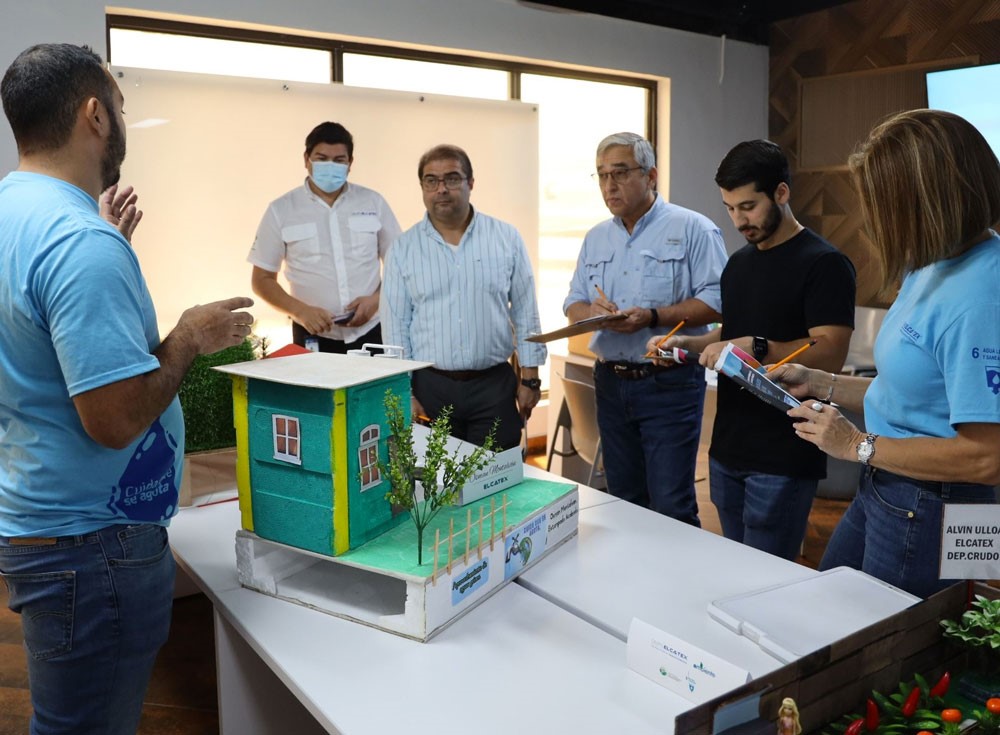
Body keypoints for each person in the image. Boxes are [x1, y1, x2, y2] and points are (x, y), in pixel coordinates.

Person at [0, 43, 254, 734]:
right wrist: (188, 337)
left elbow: (36, 341)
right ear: (94, 115)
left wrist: (103, 249)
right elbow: (113, 420)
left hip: (47, 525)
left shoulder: (19, 215)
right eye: (119, 106)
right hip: (93, 547)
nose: (122, 121)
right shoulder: (78, 242)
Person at [774, 109, 1000, 598]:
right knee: (834, 609)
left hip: (938, 504)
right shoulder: (934, 263)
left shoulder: (982, 298)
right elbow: (913, 396)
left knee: (900, 637)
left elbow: (987, 459)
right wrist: (822, 383)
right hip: (890, 483)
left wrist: (855, 444)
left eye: (882, 204)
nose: (875, 220)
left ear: (927, 201)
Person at [648, 140, 856, 560]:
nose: (739, 220)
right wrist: (686, 344)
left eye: (748, 206)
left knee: (770, 575)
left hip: (784, 449)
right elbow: (732, 335)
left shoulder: (824, 264)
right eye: (729, 208)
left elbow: (831, 351)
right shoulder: (738, 264)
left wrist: (760, 347)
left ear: (781, 192)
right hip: (729, 445)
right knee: (734, 567)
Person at [564, 132, 728, 525]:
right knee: (622, 500)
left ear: (651, 176)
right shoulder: (596, 237)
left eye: (620, 173)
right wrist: (593, 311)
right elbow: (573, 304)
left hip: (668, 383)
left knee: (671, 504)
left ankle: (678, 568)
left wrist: (653, 316)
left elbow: (719, 303)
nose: (609, 185)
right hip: (610, 380)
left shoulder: (694, 229)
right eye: (602, 175)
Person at [381, 143, 545, 450]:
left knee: (497, 475)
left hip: (494, 388)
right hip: (430, 388)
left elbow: (525, 311)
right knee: (435, 477)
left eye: (452, 178)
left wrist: (531, 379)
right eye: (431, 180)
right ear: (422, 187)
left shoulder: (506, 238)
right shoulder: (403, 249)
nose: (441, 189)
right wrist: (405, 392)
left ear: (471, 182)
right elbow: (395, 328)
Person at [249, 121, 401, 353]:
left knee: (376, 379)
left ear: (350, 163)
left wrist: (376, 301)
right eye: (321, 159)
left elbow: (401, 266)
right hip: (311, 333)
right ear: (306, 159)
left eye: (339, 160)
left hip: (372, 330)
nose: (330, 166)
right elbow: (262, 279)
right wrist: (300, 311)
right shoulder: (281, 210)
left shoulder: (373, 202)